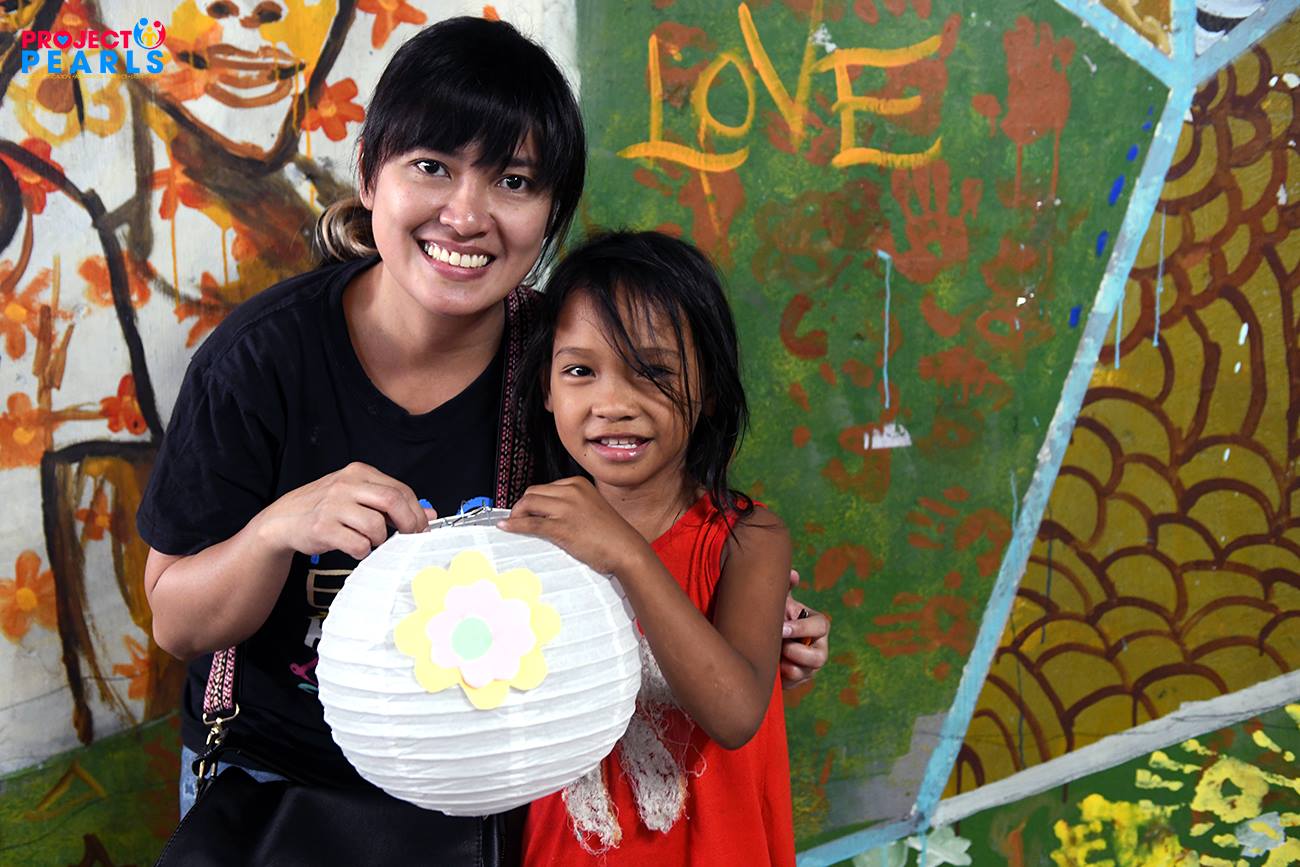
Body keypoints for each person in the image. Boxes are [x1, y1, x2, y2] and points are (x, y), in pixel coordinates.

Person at [135, 13, 827, 836]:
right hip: (277, 792)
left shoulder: (566, 359)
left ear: (552, 211)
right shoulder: (260, 359)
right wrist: (277, 529)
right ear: (370, 173)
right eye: (431, 166)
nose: (465, 216)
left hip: (487, 793)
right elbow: (176, 620)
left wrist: (756, 627)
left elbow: (655, 527)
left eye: (515, 182)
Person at [503, 231, 795, 866]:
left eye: (655, 372)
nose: (613, 404)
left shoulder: (747, 539)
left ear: (709, 387)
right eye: (580, 371)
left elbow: (735, 714)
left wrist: (629, 555)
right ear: (547, 388)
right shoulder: (522, 541)